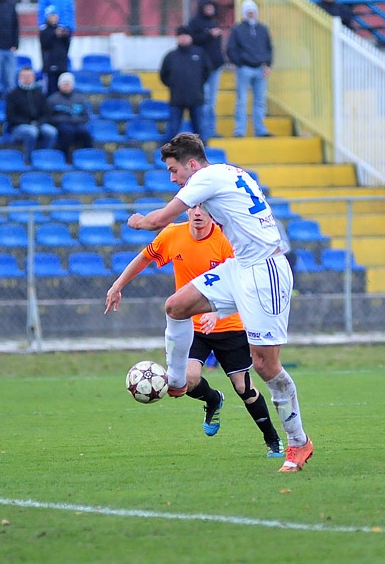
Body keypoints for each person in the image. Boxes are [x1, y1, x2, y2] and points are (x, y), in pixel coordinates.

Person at [126, 132, 312, 473]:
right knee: (176, 306)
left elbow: (158, 220)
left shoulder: (205, 178)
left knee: (265, 366)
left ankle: (298, 443)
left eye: (173, 170)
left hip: (264, 271)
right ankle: (178, 380)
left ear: (192, 164)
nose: (172, 178)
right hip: (240, 266)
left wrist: (138, 220)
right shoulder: (228, 172)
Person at [105, 204, 286, 458]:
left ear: (213, 212)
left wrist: (216, 311)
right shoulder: (172, 235)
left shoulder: (225, 241)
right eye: (194, 207)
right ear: (187, 210)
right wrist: (117, 285)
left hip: (229, 324)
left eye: (204, 208)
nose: (198, 212)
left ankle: (273, 440)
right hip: (191, 326)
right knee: (184, 382)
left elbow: (238, 282)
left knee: (244, 388)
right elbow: (144, 257)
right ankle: (212, 399)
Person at [226, 0, 273, 138]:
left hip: (260, 69)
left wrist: (268, 65)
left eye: (252, 10)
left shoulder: (262, 29)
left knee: (260, 101)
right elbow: (231, 49)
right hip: (244, 69)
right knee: (242, 100)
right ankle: (240, 130)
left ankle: (260, 130)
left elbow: (269, 48)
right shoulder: (237, 29)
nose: (251, 13)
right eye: (248, 11)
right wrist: (240, 63)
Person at [160, 25, 212, 142]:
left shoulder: (200, 53)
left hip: (196, 98)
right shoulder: (171, 56)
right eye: (180, 36)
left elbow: (207, 71)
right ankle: (170, 156)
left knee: (199, 131)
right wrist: (174, 84)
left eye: (185, 36)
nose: (183, 38)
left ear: (191, 37)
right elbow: (163, 75)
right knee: (173, 131)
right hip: (177, 99)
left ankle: (202, 156)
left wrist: (197, 84)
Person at [188, 0, 226, 142]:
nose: (210, 9)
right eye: (207, 7)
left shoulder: (214, 22)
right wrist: (208, 35)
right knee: (205, 100)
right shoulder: (195, 23)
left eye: (212, 6)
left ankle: (211, 129)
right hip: (202, 69)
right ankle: (203, 130)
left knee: (212, 101)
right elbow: (194, 41)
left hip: (215, 67)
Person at [6, 67, 58, 163]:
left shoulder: (39, 94)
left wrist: (38, 123)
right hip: (18, 127)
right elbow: (10, 117)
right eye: (24, 76)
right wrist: (29, 123)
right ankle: (28, 160)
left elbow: (46, 114)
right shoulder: (12, 94)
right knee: (31, 132)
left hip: (38, 124)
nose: (27, 78)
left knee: (51, 132)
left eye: (29, 76)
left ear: (34, 77)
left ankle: (43, 157)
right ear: (19, 77)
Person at [46, 72, 92, 161]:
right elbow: (49, 117)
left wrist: (73, 120)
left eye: (68, 84)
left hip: (77, 123)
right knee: (67, 132)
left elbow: (86, 117)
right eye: (64, 84)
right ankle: (66, 157)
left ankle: (87, 156)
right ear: (59, 85)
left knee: (84, 132)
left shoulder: (80, 99)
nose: (66, 86)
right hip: (61, 125)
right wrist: (66, 120)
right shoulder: (52, 99)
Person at [39, 5, 71, 96]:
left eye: (55, 15)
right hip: (49, 66)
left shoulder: (62, 29)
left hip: (62, 65)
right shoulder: (44, 31)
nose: (53, 18)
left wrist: (65, 36)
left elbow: (67, 46)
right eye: (51, 15)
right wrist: (54, 34)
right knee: (50, 90)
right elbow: (45, 45)